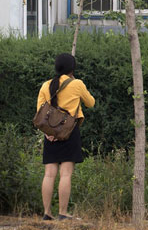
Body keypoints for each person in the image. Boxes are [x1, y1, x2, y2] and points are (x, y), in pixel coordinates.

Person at [36, 53, 95, 221]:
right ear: (72, 68)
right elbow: (91, 103)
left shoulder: (46, 85)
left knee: (49, 173)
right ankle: (63, 213)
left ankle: (47, 213)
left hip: (50, 134)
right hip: (69, 132)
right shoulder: (76, 84)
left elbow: (39, 111)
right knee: (66, 173)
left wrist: (49, 132)